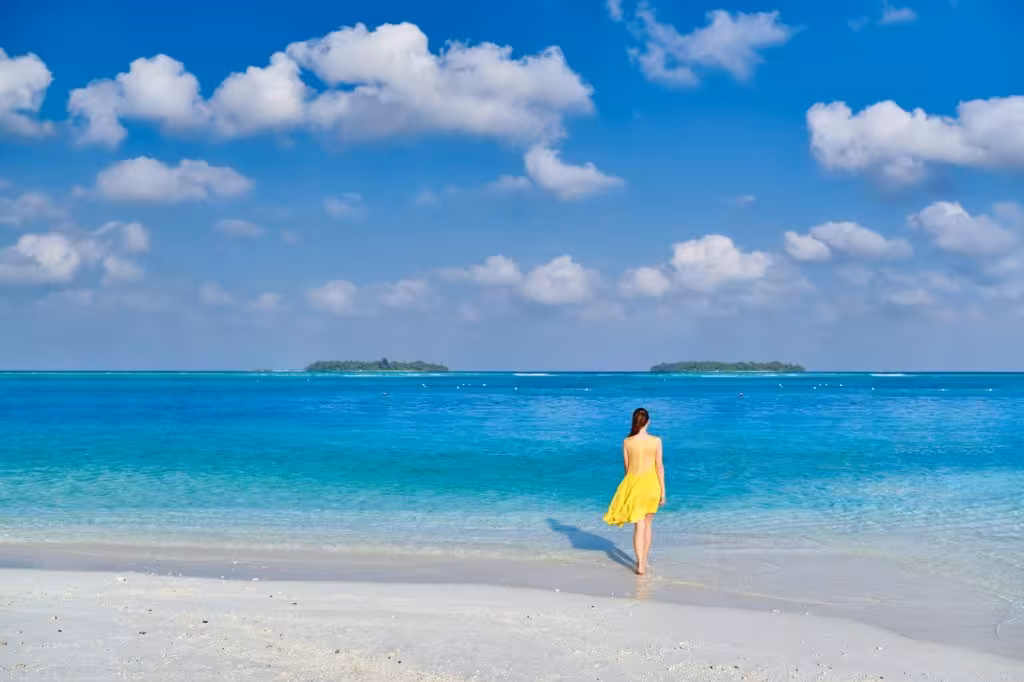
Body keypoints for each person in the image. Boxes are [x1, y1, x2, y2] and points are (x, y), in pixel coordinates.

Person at [603, 407, 665, 575]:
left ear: (634, 422)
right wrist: (663, 492)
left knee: (639, 525)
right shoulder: (656, 441)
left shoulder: (627, 442)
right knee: (648, 525)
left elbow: (627, 469)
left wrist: (627, 491)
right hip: (652, 485)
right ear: (648, 421)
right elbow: (659, 467)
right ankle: (644, 561)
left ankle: (640, 565)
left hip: (635, 485)